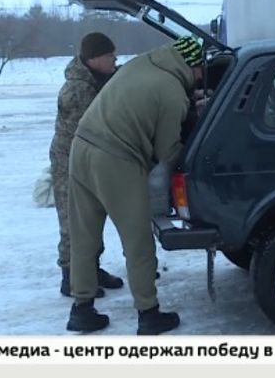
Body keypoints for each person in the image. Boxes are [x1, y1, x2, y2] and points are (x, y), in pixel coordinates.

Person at [66, 35, 205, 335]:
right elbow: (167, 150)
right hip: (115, 159)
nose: (200, 78)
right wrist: (191, 125)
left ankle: (82, 309)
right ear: (191, 65)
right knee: (137, 241)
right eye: (199, 71)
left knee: (84, 236)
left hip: (80, 148)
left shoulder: (138, 65)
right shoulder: (172, 91)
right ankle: (149, 314)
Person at [49, 32, 124, 298]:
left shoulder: (96, 80)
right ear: (94, 58)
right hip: (70, 164)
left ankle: (91, 268)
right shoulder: (78, 90)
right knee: (73, 221)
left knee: (92, 218)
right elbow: (92, 129)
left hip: (87, 162)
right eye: (109, 55)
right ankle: (71, 277)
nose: (115, 58)